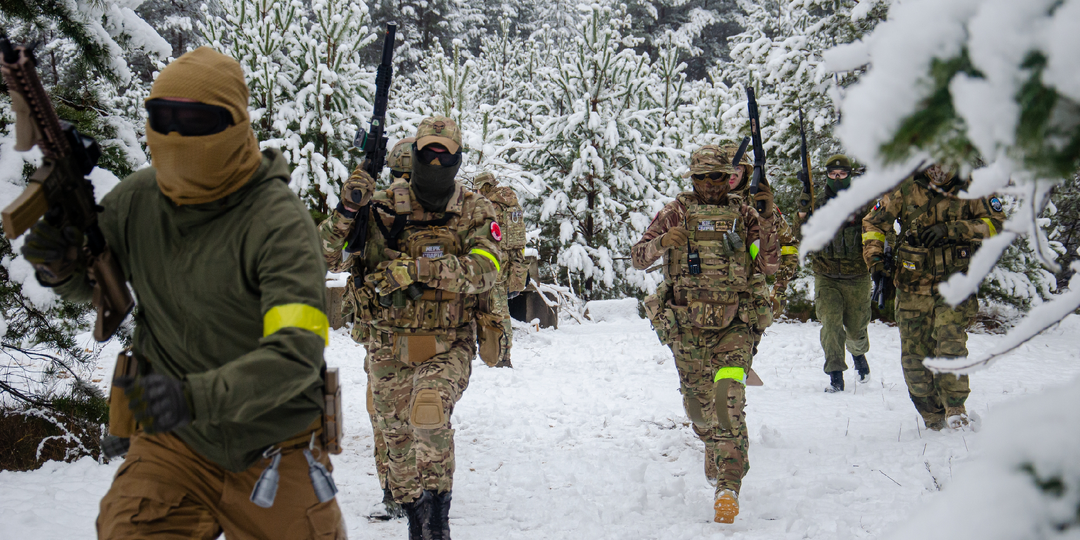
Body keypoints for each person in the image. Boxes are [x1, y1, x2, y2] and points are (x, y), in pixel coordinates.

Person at [20, 47, 345, 538]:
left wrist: (193, 397)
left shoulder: (280, 225)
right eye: (162, 118)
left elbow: (296, 353)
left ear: (234, 124)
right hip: (175, 444)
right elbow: (95, 287)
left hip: (273, 446)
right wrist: (57, 266)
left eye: (194, 121)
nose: (174, 136)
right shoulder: (136, 201)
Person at [319, 116, 500, 539]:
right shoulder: (380, 206)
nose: (435, 162)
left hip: (448, 342)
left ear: (457, 159)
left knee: (428, 411)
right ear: (415, 155)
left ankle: (438, 524)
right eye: (427, 153)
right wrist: (347, 209)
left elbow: (488, 268)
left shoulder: (475, 209)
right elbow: (323, 255)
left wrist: (419, 270)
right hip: (387, 344)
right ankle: (416, 520)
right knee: (397, 446)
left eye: (445, 155)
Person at [633, 144, 780, 524]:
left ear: (728, 178)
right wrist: (662, 242)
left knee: (727, 403)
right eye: (702, 177)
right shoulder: (676, 212)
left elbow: (769, 265)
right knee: (699, 410)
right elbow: (638, 256)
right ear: (693, 178)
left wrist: (766, 220)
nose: (711, 183)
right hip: (687, 328)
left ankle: (728, 488)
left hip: (734, 326)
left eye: (718, 176)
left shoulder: (743, 213)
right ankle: (710, 443)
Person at [862, 163, 1005, 430]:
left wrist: (952, 230)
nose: (939, 169)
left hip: (955, 283)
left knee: (950, 344)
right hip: (912, 286)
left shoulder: (974, 185)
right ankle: (932, 416)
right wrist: (875, 259)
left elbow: (997, 224)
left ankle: (955, 409)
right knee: (914, 359)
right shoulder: (905, 186)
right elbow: (873, 223)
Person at [321, 137, 415, 519]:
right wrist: (350, 208)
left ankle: (401, 492)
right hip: (387, 334)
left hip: (399, 335)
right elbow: (329, 254)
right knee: (396, 416)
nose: (404, 186)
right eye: (401, 176)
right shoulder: (373, 211)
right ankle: (403, 492)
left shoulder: (437, 214)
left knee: (391, 417)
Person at [796, 155, 875, 393]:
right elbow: (801, 236)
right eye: (832, 173)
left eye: (842, 173)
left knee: (856, 330)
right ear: (827, 175)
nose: (837, 178)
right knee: (831, 326)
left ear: (850, 175)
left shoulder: (863, 203)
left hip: (857, 276)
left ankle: (858, 354)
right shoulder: (817, 204)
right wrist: (802, 210)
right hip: (827, 275)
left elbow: (878, 229)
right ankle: (835, 375)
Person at [473, 171, 529, 368]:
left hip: (493, 261)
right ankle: (502, 353)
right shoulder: (511, 205)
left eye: (477, 188)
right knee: (501, 309)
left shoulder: (489, 206)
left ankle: (500, 357)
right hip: (510, 261)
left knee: (496, 310)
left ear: (484, 187)